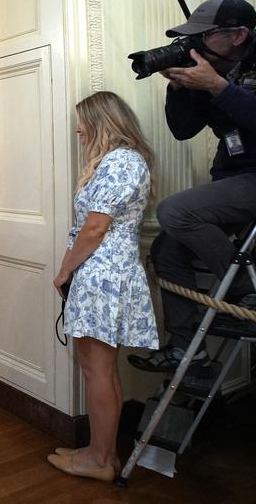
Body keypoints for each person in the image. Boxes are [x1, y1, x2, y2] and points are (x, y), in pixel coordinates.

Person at [127, 0, 256, 382]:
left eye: (203, 36)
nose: (194, 44)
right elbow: (183, 130)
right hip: (232, 179)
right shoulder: (207, 66)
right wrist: (179, 87)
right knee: (166, 249)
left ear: (238, 35)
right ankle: (187, 353)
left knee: (175, 211)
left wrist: (217, 86)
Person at [48, 91, 159, 484]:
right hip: (107, 273)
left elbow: (95, 227)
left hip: (102, 275)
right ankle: (104, 453)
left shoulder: (121, 161)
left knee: (97, 370)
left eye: (83, 120)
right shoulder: (123, 162)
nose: (78, 128)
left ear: (103, 121)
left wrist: (64, 272)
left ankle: (97, 460)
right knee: (102, 369)